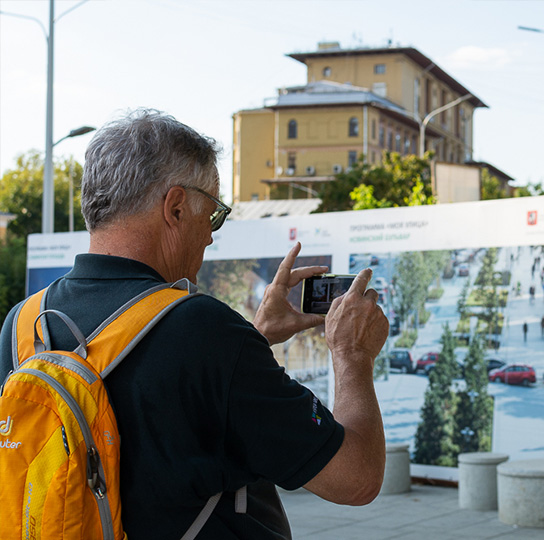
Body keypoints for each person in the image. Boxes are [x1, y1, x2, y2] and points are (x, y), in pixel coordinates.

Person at [0, 109, 389, 539]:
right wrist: (352, 354)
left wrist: (255, 339)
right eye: (213, 215)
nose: (209, 235)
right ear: (177, 207)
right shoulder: (207, 333)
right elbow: (357, 478)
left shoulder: (22, 326)